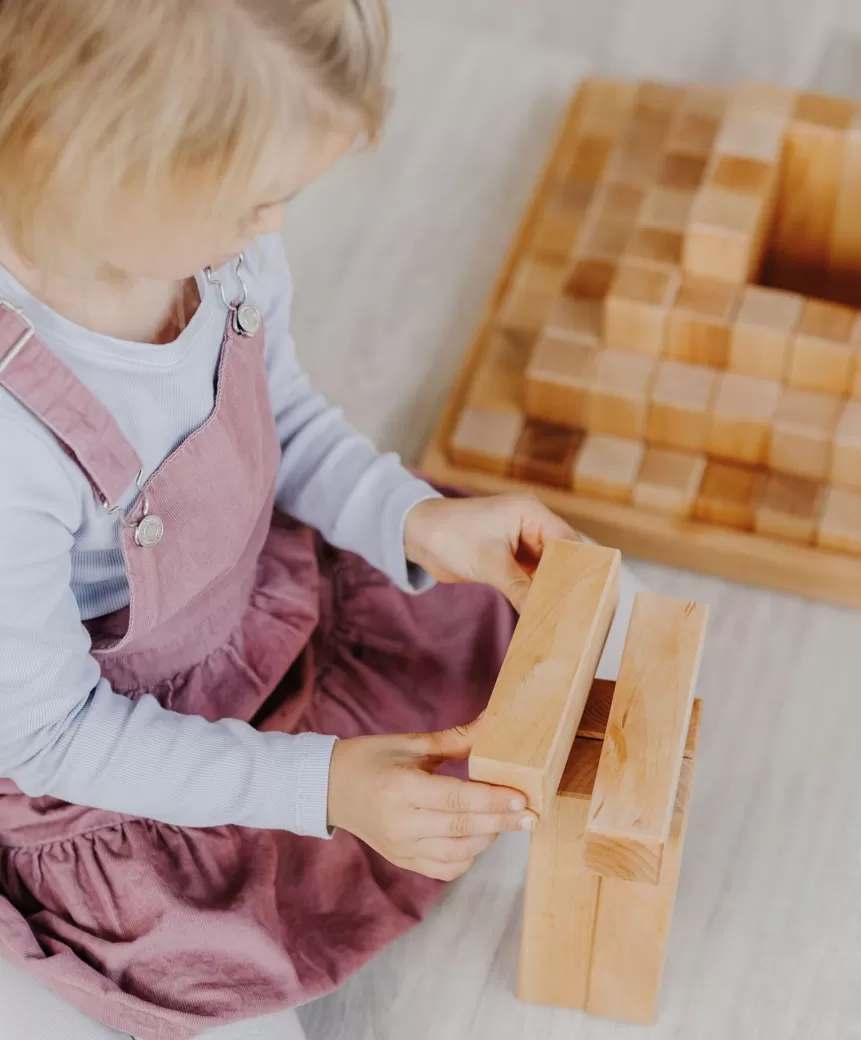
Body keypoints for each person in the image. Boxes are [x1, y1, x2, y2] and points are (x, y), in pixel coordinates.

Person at [0, 2, 633, 1036]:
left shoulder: (216, 257)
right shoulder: (11, 443)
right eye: (254, 201)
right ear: (77, 161)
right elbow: (53, 731)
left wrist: (415, 521)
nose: (273, 229)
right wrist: (327, 784)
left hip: (253, 614)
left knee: (546, 629)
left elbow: (277, 414)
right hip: (98, 757)